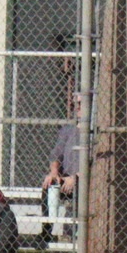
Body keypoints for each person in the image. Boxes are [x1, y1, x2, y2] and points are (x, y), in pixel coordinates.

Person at [39, 92, 81, 244]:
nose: (78, 108)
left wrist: (76, 177)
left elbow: (95, 162)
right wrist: (54, 172)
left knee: (79, 188)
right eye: (76, 105)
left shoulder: (95, 131)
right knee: (48, 183)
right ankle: (47, 230)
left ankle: (71, 234)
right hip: (67, 178)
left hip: (85, 180)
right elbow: (56, 154)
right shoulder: (68, 129)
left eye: (82, 105)